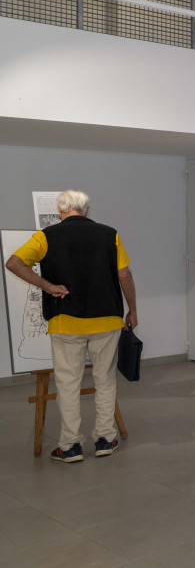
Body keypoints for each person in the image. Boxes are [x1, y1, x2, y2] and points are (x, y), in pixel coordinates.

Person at [4, 190, 137, 462]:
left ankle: (70, 446)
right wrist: (132, 309)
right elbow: (124, 274)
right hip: (107, 319)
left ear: (60, 210)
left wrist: (48, 286)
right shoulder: (109, 234)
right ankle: (104, 439)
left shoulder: (46, 236)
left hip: (65, 322)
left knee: (67, 385)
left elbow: (14, 263)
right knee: (105, 380)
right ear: (86, 210)